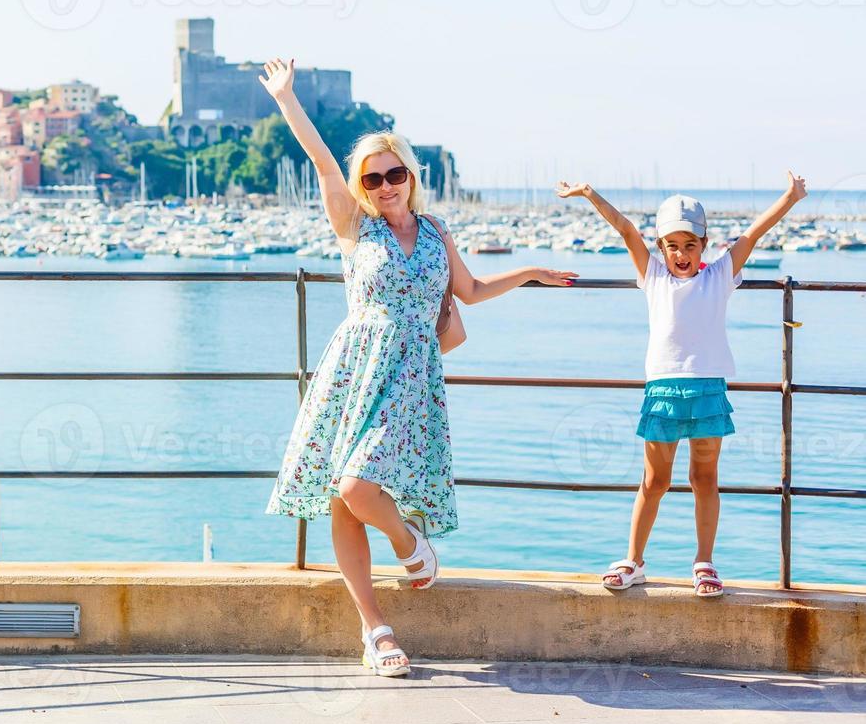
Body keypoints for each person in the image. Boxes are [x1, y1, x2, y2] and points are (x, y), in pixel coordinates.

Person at [260, 58, 578, 677]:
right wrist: (287, 99)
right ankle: (376, 628)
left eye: (394, 174)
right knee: (342, 498)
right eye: (373, 179)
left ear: (410, 174)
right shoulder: (355, 227)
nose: (385, 186)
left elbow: (472, 288)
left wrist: (532, 272)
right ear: (361, 187)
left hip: (411, 380)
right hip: (354, 373)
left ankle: (409, 544)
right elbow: (323, 162)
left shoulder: (434, 230)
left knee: (357, 487)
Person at [556, 172, 808, 597]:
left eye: (691, 244)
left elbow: (754, 233)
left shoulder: (720, 275)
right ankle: (633, 559)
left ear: (704, 246)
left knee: (704, 479)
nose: (682, 253)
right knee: (653, 481)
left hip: (708, 392)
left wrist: (791, 197)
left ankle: (704, 562)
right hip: (663, 392)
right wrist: (588, 193)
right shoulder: (652, 276)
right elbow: (625, 229)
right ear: (661, 248)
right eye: (673, 245)